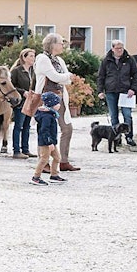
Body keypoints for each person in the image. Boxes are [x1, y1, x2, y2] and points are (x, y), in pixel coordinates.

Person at [33, 33, 78, 173]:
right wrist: (66, 77)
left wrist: (64, 77)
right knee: (45, 129)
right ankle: (44, 162)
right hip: (45, 100)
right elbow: (55, 76)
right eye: (60, 43)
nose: (62, 45)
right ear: (52, 44)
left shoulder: (59, 60)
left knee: (67, 129)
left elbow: (65, 79)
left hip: (59, 98)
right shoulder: (42, 58)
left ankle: (63, 161)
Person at [97, 40, 137, 147]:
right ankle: (116, 137)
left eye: (121, 48)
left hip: (126, 91)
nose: (120, 50)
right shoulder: (106, 60)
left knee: (127, 115)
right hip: (111, 90)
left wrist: (133, 89)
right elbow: (101, 76)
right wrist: (100, 91)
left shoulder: (129, 59)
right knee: (113, 116)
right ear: (112, 49)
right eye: (117, 48)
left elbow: (136, 75)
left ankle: (129, 136)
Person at [31, 91, 66, 185]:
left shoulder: (51, 114)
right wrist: (49, 142)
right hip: (46, 142)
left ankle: (54, 174)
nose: (59, 105)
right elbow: (44, 131)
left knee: (57, 158)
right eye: (57, 103)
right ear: (51, 104)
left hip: (51, 141)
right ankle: (36, 177)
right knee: (44, 159)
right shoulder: (46, 116)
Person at [9, 47, 37, 159]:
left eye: (34, 56)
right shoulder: (16, 71)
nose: (33, 58)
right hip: (20, 102)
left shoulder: (33, 71)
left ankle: (25, 149)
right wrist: (22, 92)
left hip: (30, 102)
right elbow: (11, 86)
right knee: (18, 125)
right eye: (31, 56)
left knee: (27, 126)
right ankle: (16, 150)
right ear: (24, 58)